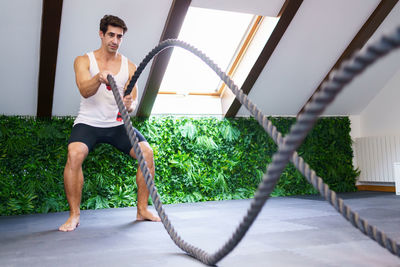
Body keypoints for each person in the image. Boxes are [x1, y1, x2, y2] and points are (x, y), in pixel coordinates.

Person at [59, 15, 160, 232]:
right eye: (111, 35)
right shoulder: (84, 60)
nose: (115, 40)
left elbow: (131, 102)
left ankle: (142, 210)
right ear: (101, 34)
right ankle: (74, 215)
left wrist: (129, 104)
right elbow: (84, 90)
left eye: (119, 36)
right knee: (74, 154)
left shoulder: (129, 66)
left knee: (147, 153)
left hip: (117, 125)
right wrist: (98, 78)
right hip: (88, 122)